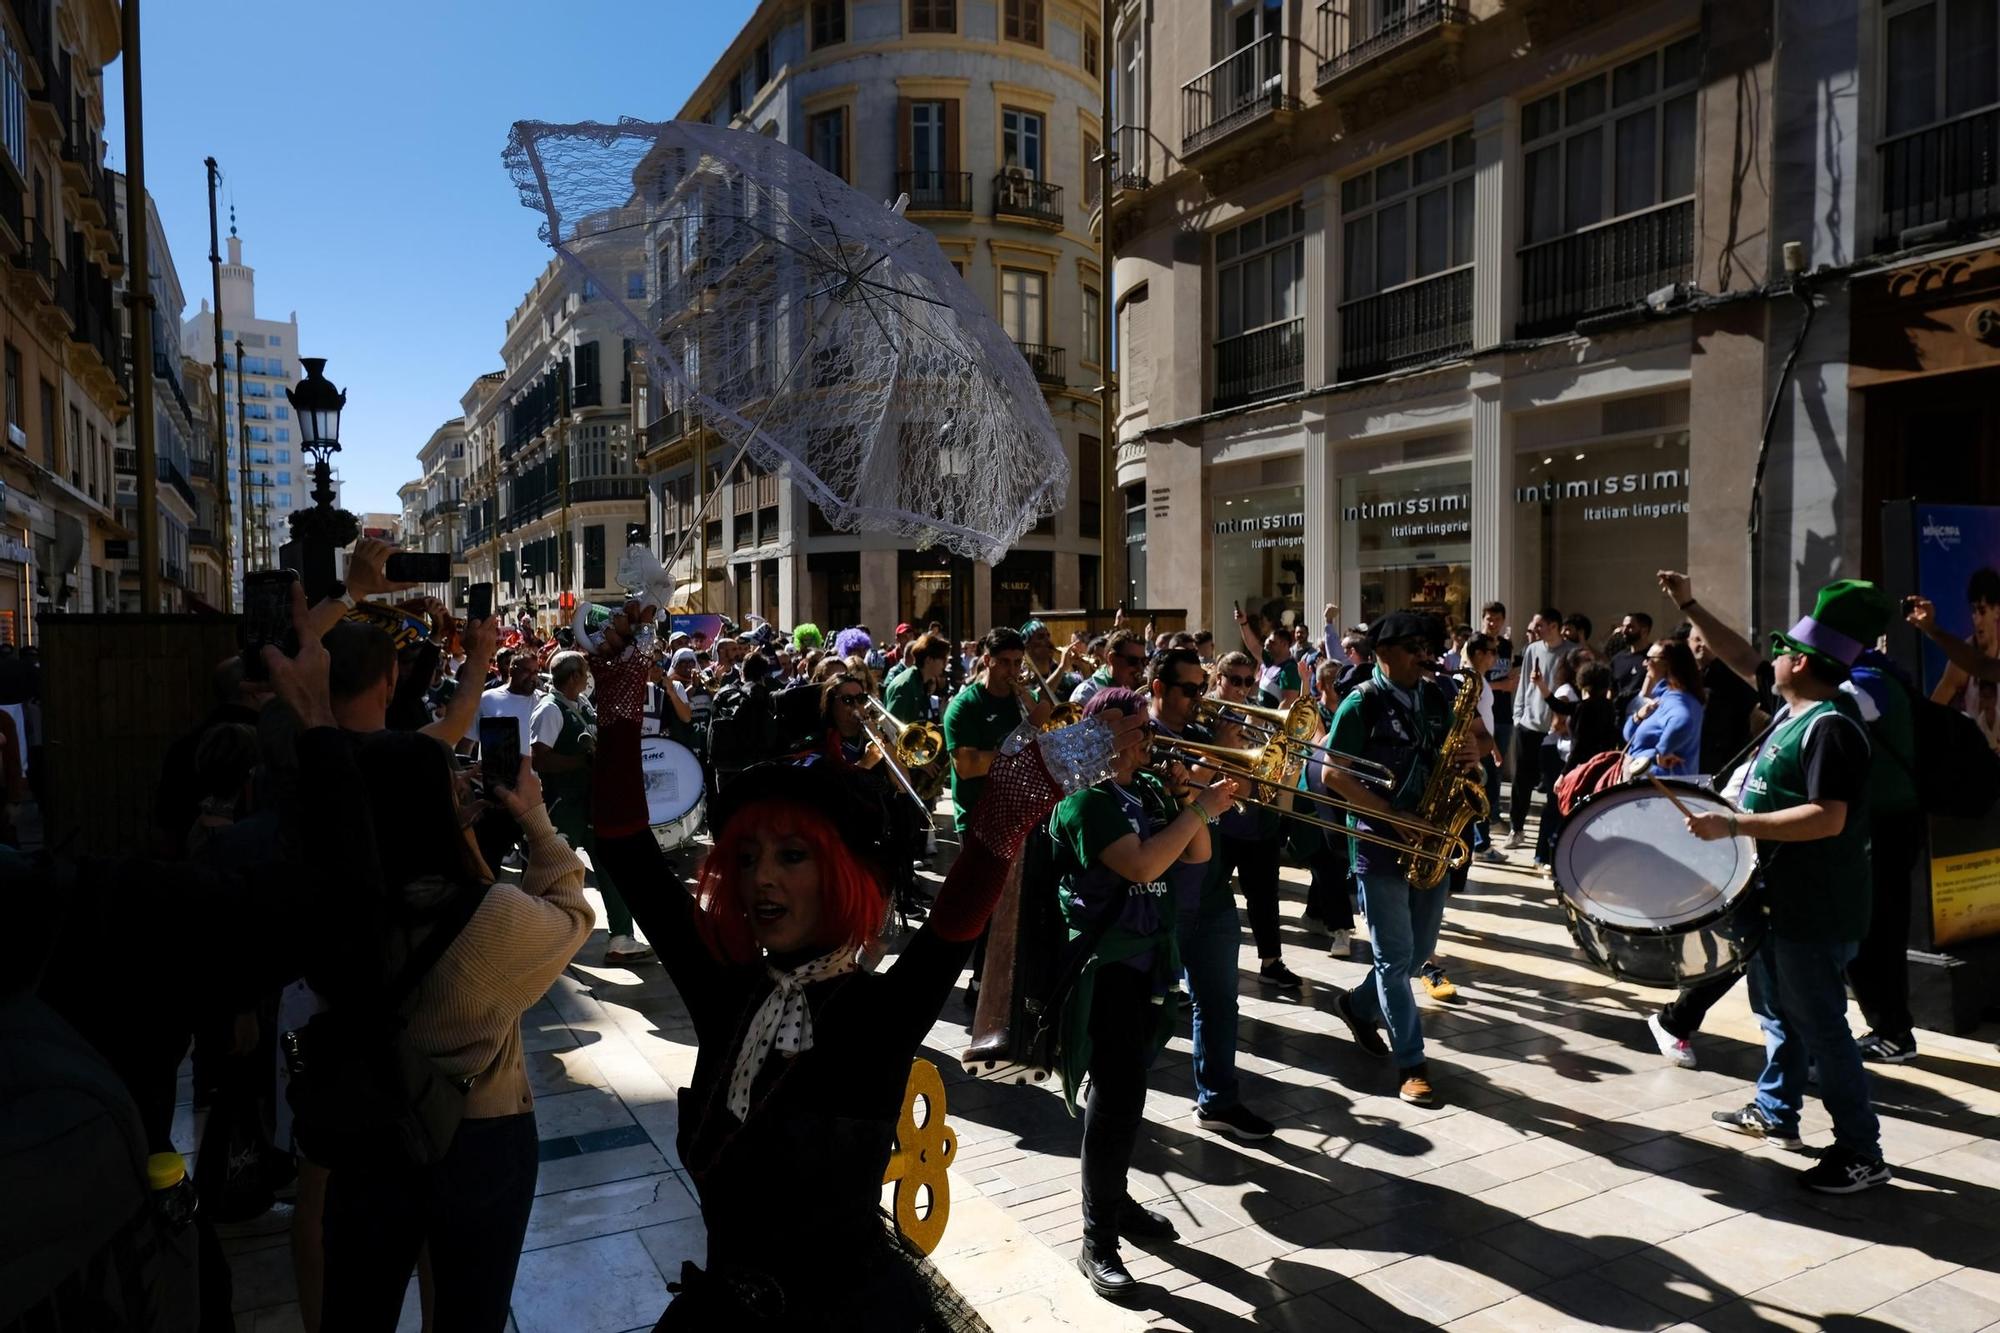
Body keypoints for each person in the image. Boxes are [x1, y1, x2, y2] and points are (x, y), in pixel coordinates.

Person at [586, 668, 1146, 1325]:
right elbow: (627, 848)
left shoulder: (879, 1013)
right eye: (746, 857)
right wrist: (623, 697)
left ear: (842, 876)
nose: (762, 878)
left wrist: (1010, 810)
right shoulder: (724, 987)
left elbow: (953, 922)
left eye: (792, 856)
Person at [318, 736, 593, 1327]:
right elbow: (573, 915)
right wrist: (534, 820)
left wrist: (457, 836)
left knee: (356, 1309)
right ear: (437, 803)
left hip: (366, 1127)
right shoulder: (491, 917)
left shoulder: (332, 910)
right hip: (478, 1137)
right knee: (471, 1311)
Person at [1684, 580, 1893, 1194]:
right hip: (1781, 901)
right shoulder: (1795, 715)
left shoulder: (1829, 726)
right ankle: (1777, 1111)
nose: (1769, 659)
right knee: (1783, 1017)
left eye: (1778, 650)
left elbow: (1828, 817)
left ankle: (1861, 1150)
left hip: (1814, 907)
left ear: (1799, 662)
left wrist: (1734, 823)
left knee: (1824, 1028)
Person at [1052, 687, 1238, 1300]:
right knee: (1116, 1096)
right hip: (1104, 967)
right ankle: (1096, 1239)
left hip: (1149, 961)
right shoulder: (1085, 799)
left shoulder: (1152, 791)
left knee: (1127, 1097)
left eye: (1137, 728)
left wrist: (1192, 806)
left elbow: (1198, 858)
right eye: (1120, 730)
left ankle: (1115, 1204)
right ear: (1092, 736)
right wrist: (1198, 812)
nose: (1137, 739)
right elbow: (1139, 866)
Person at [1326, 613, 1478, 1107]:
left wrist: (1470, 755)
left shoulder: (1435, 697)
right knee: (1394, 960)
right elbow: (1332, 773)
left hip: (1431, 838)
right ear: (1382, 653)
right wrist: (1391, 814)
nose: (1424, 655)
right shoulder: (1360, 703)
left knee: (1415, 956)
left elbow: (1463, 751)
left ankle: (1356, 1006)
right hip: (1380, 842)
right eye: (1413, 647)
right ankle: (1411, 1062)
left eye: (1426, 646)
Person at [1146, 648, 1276, 1144]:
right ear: (1158, 687)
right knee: (1150, 1006)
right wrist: (1215, 754)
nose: (1200, 699)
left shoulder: (1203, 735)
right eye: (1189, 690)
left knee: (1219, 1003)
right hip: (1162, 893)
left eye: (1204, 689)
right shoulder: (1143, 735)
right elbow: (1175, 797)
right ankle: (1114, 1095)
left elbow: (1231, 798)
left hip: (1214, 890)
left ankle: (1219, 1101)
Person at [532, 651, 650, 965]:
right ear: (572, 677)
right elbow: (539, 757)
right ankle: (541, 940)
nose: (588, 679)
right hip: (563, 804)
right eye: (585, 673)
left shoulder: (581, 704)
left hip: (591, 803)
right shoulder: (549, 710)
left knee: (611, 866)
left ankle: (622, 938)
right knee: (554, 873)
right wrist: (582, 761)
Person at [1207, 650, 1304, 989]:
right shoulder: (1207, 718)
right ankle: (1192, 967)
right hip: (1219, 823)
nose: (1242, 688)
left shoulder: (1258, 713)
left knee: (1264, 895)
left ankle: (1271, 962)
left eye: (1248, 681)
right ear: (1219, 679)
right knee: (1207, 895)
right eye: (1234, 680)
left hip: (1257, 823)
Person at [1508, 609, 1574, 849]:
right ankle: (1516, 828)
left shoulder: (1571, 652)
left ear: (1554, 626)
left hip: (1555, 730)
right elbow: (1525, 683)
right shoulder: (1532, 650)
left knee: (1553, 784)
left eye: (1540, 625)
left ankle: (1550, 840)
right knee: (1521, 781)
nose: (1534, 629)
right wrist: (1518, 716)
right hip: (1528, 725)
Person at [1622, 637, 1705, 777]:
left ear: (1667, 665)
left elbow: (1682, 722)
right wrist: (1638, 717)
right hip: (1656, 787)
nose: (1644, 663)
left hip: (1659, 788)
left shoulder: (1677, 699)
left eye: (1650, 658)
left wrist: (1661, 752)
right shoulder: (1666, 698)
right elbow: (1629, 736)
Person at [1234, 607, 1301, 707]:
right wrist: (1243, 623)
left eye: (1272, 643)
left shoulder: (1290, 670)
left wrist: (1269, 721)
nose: (1267, 646)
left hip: (1271, 721)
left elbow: (1288, 702)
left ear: (1284, 644)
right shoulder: (1269, 661)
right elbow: (1253, 645)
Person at [1071, 629, 1145, 704]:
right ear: (1112, 659)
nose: (1140, 668)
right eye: (1133, 661)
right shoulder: (1086, 694)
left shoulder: (1141, 692)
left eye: (1144, 661)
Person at [1608, 611, 1656, 718]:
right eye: (1623, 626)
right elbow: (1611, 691)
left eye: (1630, 627)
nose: (1624, 631)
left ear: (1644, 630)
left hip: (1647, 716)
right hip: (1620, 718)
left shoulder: (1656, 658)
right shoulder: (1617, 659)